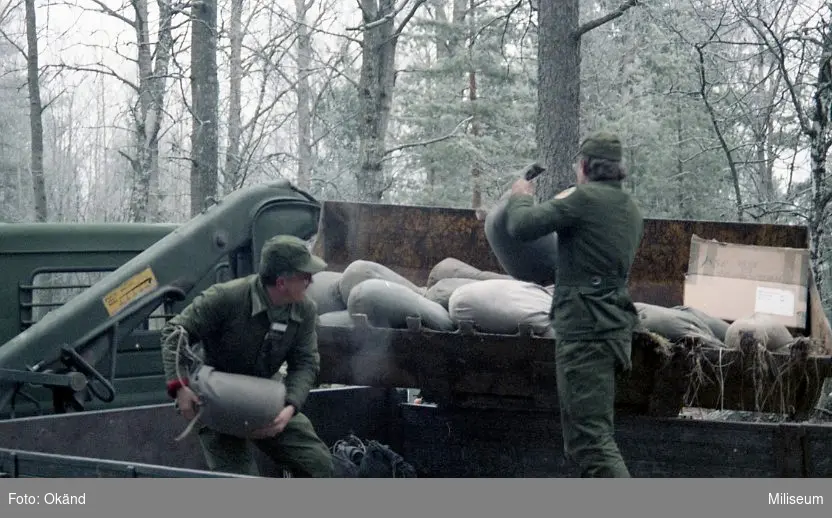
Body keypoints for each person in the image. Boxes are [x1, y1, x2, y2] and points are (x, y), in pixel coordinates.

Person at [503, 130, 644, 478]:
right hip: (610, 328)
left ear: (583, 166)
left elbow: (520, 227)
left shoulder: (583, 200)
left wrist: (520, 196)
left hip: (586, 332)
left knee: (591, 442)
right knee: (586, 440)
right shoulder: (629, 207)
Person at [160, 234, 334, 478]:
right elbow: (174, 332)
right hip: (218, 401)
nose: (310, 281)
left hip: (267, 400)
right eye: (304, 276)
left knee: (318, 465)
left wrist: (289, 407)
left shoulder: (304, 310)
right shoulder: (226, 298)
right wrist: (180, 387)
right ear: (282, 282)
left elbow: (305, 362)